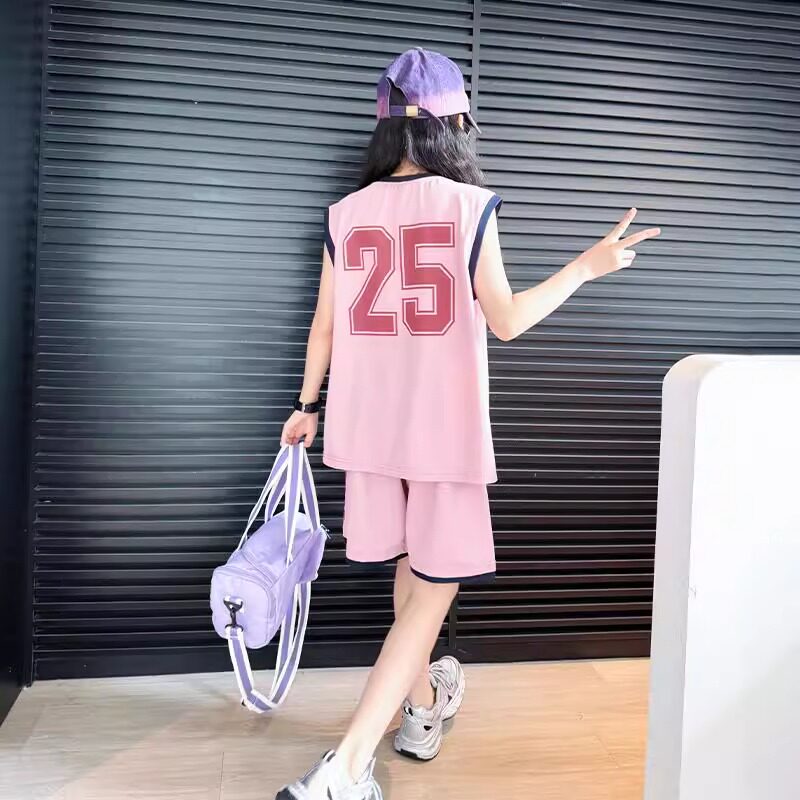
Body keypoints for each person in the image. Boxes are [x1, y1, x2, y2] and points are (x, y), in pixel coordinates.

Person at [276, 47, 661, 800]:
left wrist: (306, 406)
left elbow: (324, 326)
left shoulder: (344, 214)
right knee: (432, 592)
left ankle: (422, 708)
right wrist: (586, 267)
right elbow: (507, 320)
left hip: (364, 431)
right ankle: (345, 767)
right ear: (454, 125)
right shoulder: (467, 205)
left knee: (410, 576)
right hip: (441, 434)